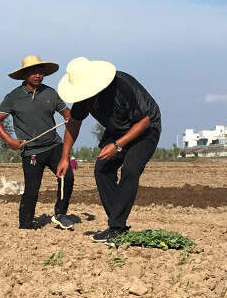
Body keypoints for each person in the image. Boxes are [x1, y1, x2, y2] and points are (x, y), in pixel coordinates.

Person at [55, 58, 162, 243]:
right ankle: (118, 226)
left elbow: (144, 121)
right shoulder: (84, 96)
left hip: (146, 128)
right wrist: (65, 157)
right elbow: (73, 124)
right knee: (102, 169)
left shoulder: (123, 85)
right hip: (116, 131)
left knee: (130, 169)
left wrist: (118, 145)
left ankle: (116, 226)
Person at [0, 55, 77, 230]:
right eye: (33, 72)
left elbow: (67, 114)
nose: (38, 75)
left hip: (54, 146)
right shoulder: (13, 97)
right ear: (24, 75)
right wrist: (9, 141)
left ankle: (60, 214)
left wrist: (70, 118)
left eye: (41, 72)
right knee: (31, 189)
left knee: (67, 177)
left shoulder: (51, 93)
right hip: (31, 151)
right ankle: (26, 225)